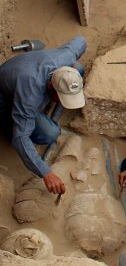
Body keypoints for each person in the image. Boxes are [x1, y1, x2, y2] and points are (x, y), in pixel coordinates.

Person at [0, 36, 87, 195]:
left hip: (23, 70)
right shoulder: (30, 94)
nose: (63, 102)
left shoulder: (66, 57)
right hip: (5, 98)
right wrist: (46, 173)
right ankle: (8, 124)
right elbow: (21, 138)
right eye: (60, 98)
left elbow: (81, 40)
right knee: (50, 133)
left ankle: (43, 116)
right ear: (50, 86)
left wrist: (72, 64)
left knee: (78, 68)